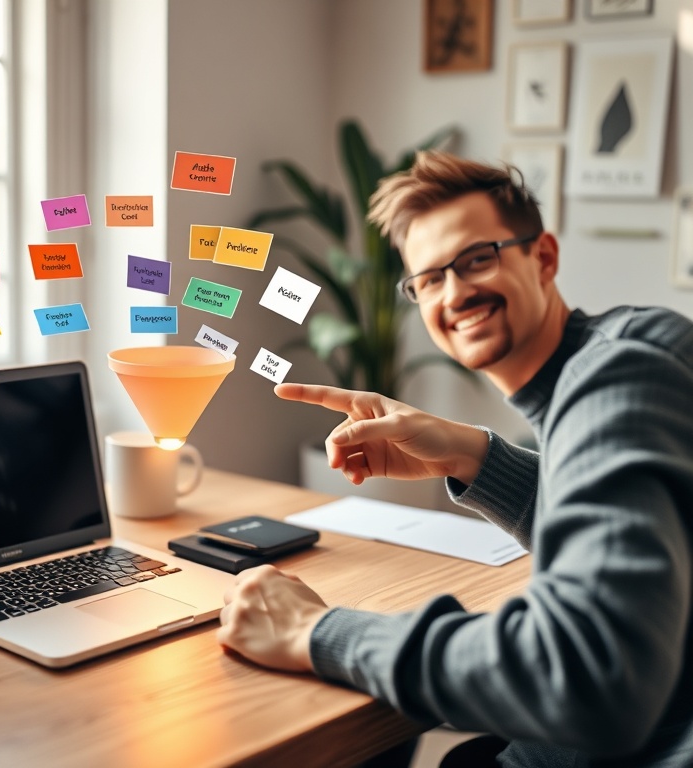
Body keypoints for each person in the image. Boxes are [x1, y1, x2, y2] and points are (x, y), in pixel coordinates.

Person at [217, 151, 693, 767]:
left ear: (542, 257)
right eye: (430, 279)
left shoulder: (616, 378)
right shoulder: (631, 344)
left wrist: (314, 632)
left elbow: (585, 676)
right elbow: (642, 528)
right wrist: (472, 454)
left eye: (476, 259)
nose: (456, 292)